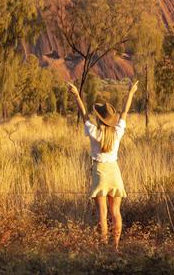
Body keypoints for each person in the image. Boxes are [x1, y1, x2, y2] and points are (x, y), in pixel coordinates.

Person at [68, 80, 138, 249]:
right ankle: (115, 247)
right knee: (116, 213)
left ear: (99, 119)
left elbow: (84, 115)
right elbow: (125, 112)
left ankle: (103, 245)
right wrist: (130, 93)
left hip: (99, 172)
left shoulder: (94, 132)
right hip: (114, 172)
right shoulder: (118, 131)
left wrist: (76, 95)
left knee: (103, 214)